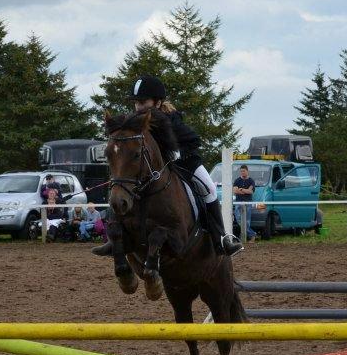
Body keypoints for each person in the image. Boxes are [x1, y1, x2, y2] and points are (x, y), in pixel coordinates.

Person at [93, 75, 242, 256]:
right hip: (153, 171)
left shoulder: (172, 119)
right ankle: (114, 239)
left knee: (209, 189)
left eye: (143, 102)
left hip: (185, 163)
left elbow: (194, 141)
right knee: (121, 188)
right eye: (136, 103)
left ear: (157, 102)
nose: (138, 107)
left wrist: (177, 152)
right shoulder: (135, 123)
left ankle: (221, 238)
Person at [232, 164, 256, 240]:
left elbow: (250, 191)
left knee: (247, 221)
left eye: (244, 171)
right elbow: (235, 191)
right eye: (241, 171)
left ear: (247, 171)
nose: (242, 172)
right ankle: (252, 234)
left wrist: (241, 189)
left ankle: (243, 237)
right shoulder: (237, 180)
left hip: (248, 202)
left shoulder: (251, 181)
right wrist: (245, 191)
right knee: (238, 219)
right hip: (238, 202)